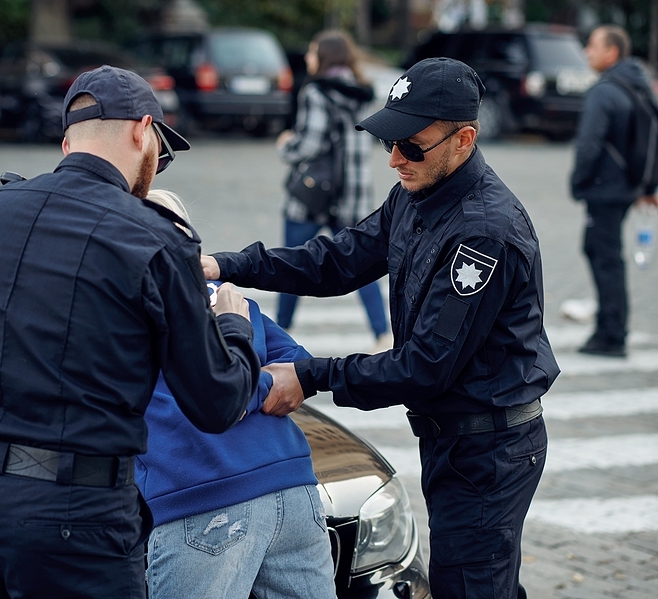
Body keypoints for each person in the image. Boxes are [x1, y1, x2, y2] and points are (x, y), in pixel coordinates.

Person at [0, 189, 337, 599]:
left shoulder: (117, 315)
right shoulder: (234, 304)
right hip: (296, 495)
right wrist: (253, 381)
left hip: (203, 507)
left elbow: (18, 400)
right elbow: (295, 369)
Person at [202, 57, 560, 599]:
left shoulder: (484, 233)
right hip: (455, 437)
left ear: (464, 140)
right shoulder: (417, 193)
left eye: (411, 145)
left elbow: (424, 367)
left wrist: (309, 375)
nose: (394, 159)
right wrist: (227, 266)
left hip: (488, 447)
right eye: (388, 141)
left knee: (469, 585)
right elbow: (338, 260)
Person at [0, 66, 261, 599]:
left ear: (67, 141)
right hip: (73, 514)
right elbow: (216, 402)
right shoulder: (153, 238)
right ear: (142, 130)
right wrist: (232, 325)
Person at [276, 30, 392, 352]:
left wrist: (286, 146)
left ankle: (280, 332)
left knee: (291, 264)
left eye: (312, 52)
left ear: (324, 56)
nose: (308, 58)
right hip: (353, 195)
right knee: (361, 265)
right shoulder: (363, 93)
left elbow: (310, 144)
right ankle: (382, 335)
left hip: (314, 195)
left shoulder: (315, 91)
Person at [570, 24, 658, 357]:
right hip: (627, 188)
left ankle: (611, 335)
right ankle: (612, 328)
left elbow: (588, 144)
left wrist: (578, 182)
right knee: (606, 254)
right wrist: (647, 185)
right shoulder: (639, 84)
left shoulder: (604, 91)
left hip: (604, 190)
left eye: (593, 45)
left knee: (604, 257)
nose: (587, 52)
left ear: (613, 52)